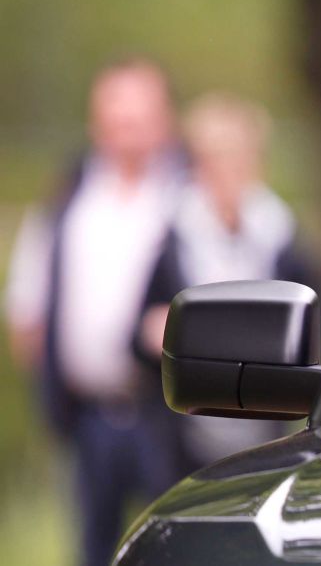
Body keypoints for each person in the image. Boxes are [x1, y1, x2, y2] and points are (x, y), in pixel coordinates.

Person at [3, 58, 185, 566]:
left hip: (168, 413)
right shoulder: (69, 199)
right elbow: (28, 306)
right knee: (92, 548)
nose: (126, 133)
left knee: (177, 545)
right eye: (115, 119)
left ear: (164, 121)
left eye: (138, 119)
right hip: (89, 418)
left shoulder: (186, 197)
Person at [134, 92, 320, 474]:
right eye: (214, 160)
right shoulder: (173, 238)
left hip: (265, 433)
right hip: (185, 437)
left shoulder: (283, 239)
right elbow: (138, 332)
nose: (226, 173)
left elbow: (315, 332)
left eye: (237, 157)